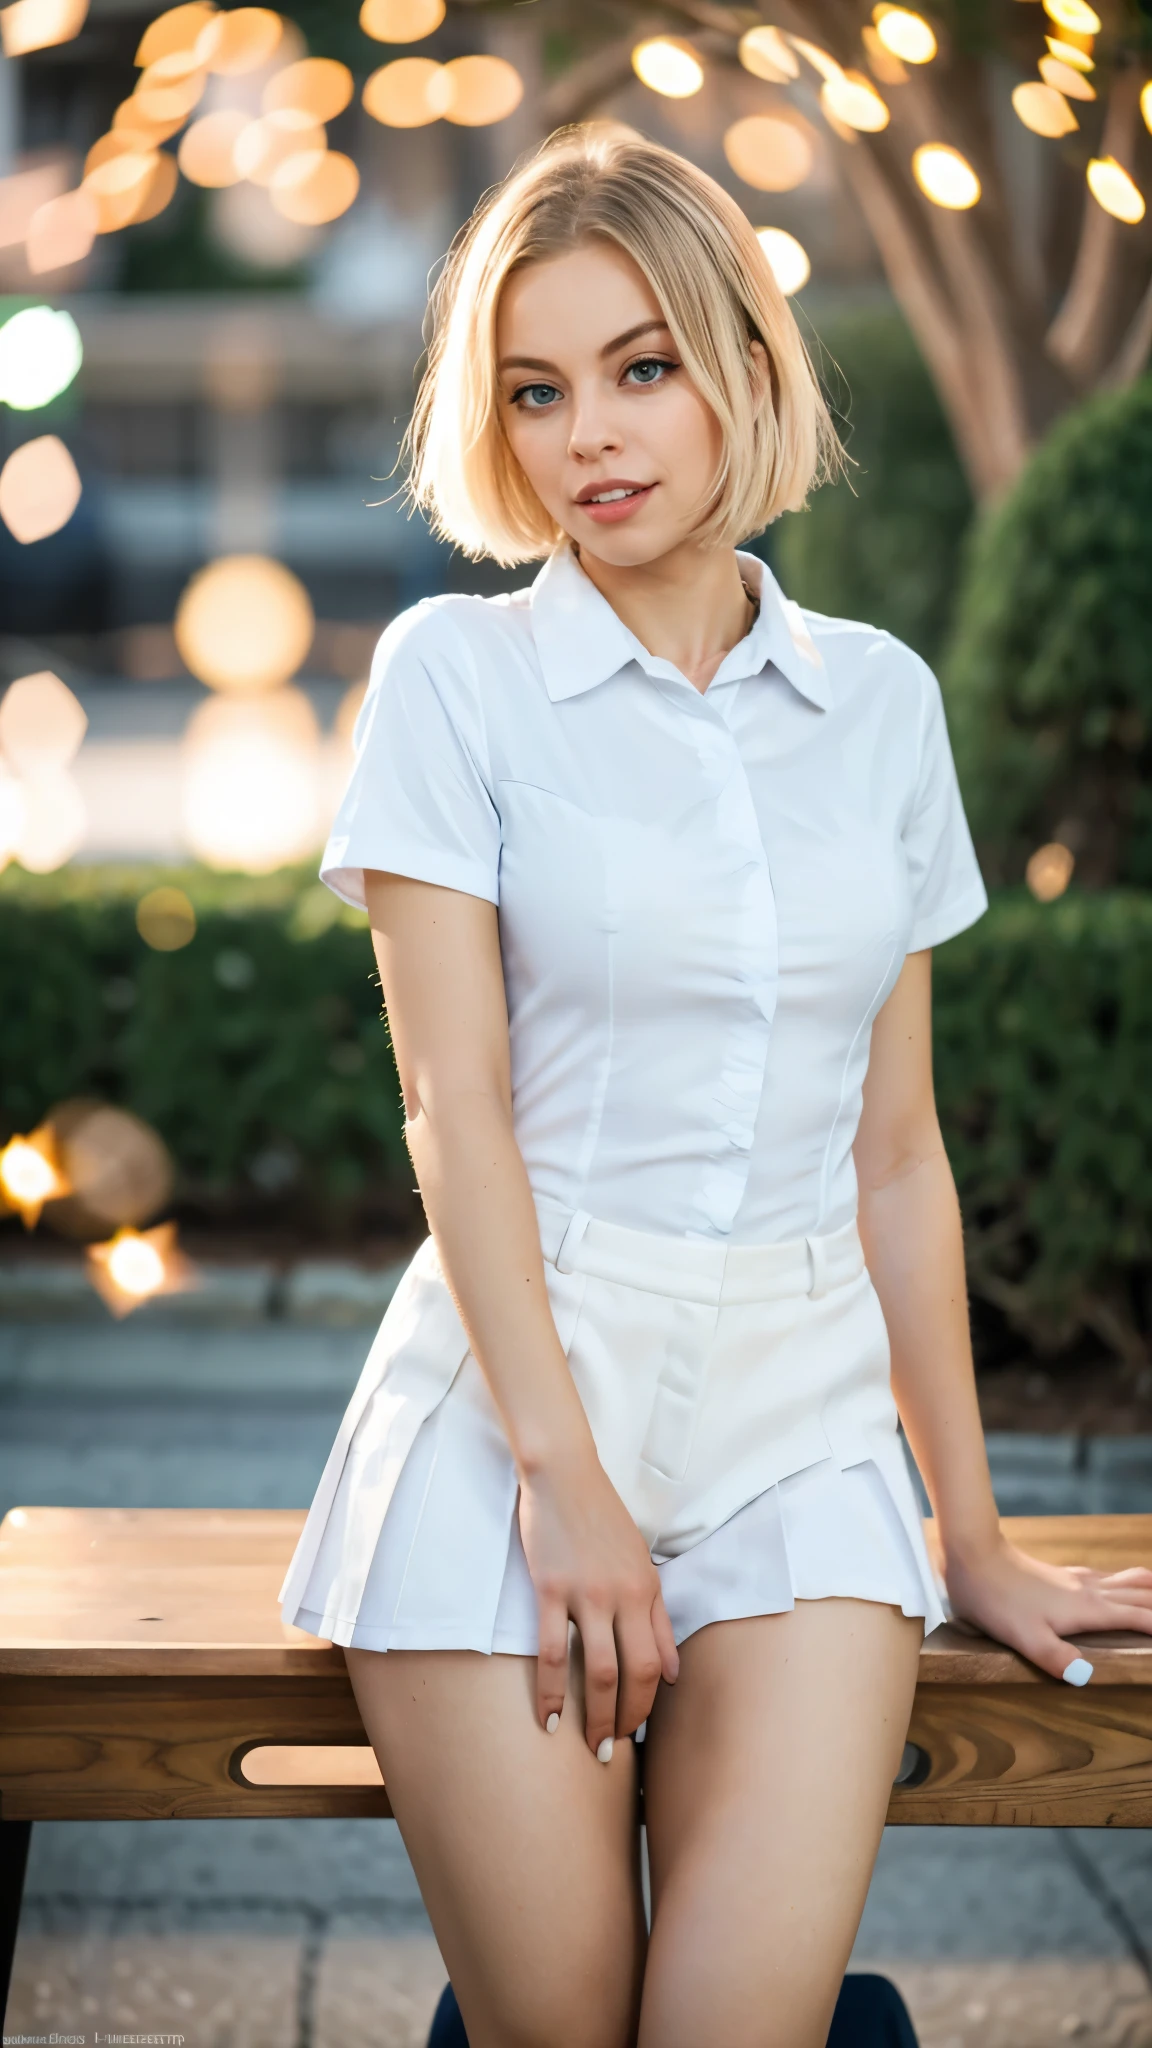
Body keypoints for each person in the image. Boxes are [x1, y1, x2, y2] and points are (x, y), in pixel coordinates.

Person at [278, 127, 1152, 2048]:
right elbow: (457, 1116)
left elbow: (898, 1160)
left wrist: (973, 1534)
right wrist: (565, 1482)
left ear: (747, 366)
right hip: (511, 1423)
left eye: (641, 365)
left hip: (801, 1434)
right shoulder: (455, 679)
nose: (589, 434)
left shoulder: (882, 706)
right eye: (537, 388)